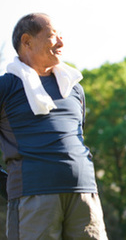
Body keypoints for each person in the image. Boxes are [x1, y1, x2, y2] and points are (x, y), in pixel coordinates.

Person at [0, 13, 108, 239]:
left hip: (84, 193)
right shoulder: (6, 87)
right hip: (33, 194)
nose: (61, 43)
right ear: (27, 41)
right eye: (52, 36)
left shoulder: (74, 88)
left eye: (61, 36)